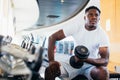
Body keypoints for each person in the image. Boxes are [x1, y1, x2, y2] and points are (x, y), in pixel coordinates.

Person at [45, 6, 110, 80]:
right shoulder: (76, 27)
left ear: (99, 19)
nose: (94, 17)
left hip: (91, 66)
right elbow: (52, 38)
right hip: (73, 64)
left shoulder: (102, 34)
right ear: (85, 17)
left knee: (103, 72)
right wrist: (51, 61)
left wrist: (84, 59)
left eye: (96, 15)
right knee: (50, 70)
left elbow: (105, 61)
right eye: (90, 15)